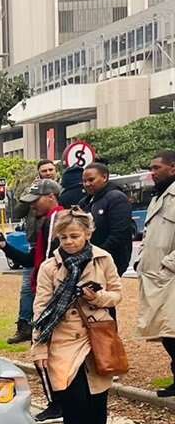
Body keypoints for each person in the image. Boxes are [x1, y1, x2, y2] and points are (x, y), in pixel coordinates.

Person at [30, 210, 121, 424]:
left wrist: (98, 296)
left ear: (87, 234)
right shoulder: (50, 267)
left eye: (75, 236)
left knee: (97, 402)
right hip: (62, 339)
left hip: (96, 337)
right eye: (64, 237)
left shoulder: (103, 259)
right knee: (73, 401)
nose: (69, 242)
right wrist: (39, 347)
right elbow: (41, 308)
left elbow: (117, 294)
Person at [0, 179, 66, 423]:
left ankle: (58, 405)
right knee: (48, 352)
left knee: (42, 351)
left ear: (51, 197)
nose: (33, 206)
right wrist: (5, 246)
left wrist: (46, 298)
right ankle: (59, 403)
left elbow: (46, 263)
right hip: (44, 292)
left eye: (36, 200)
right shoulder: (46, 222)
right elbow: (31, 261)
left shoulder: (56, 219)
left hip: (49, 295)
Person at [137, 150, 175, 399]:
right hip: (154, 276)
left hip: (170, 275)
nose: (152, 172)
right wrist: (141, 257)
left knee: (172, 331)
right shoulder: (157, 197)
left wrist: (169, 264)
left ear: (172, 168)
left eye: (157, 168)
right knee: (164, 332)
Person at [7, 160, 58, 343]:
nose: (48, 173)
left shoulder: (58, 216)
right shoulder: (35, 198)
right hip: (34, 243)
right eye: (44, 170)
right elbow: (18, 211)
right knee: (28, 289)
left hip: (48, 255)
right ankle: (25, 326)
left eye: (51, 169)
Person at [79, 162, 134, 277]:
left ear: (104, 177)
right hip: (88, 260)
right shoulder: (85, 202)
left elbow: (119, 233)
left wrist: (97, 254)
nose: (87, 184)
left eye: (91, 180)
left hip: (110, 260)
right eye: (84, 181)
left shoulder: (117, 198)